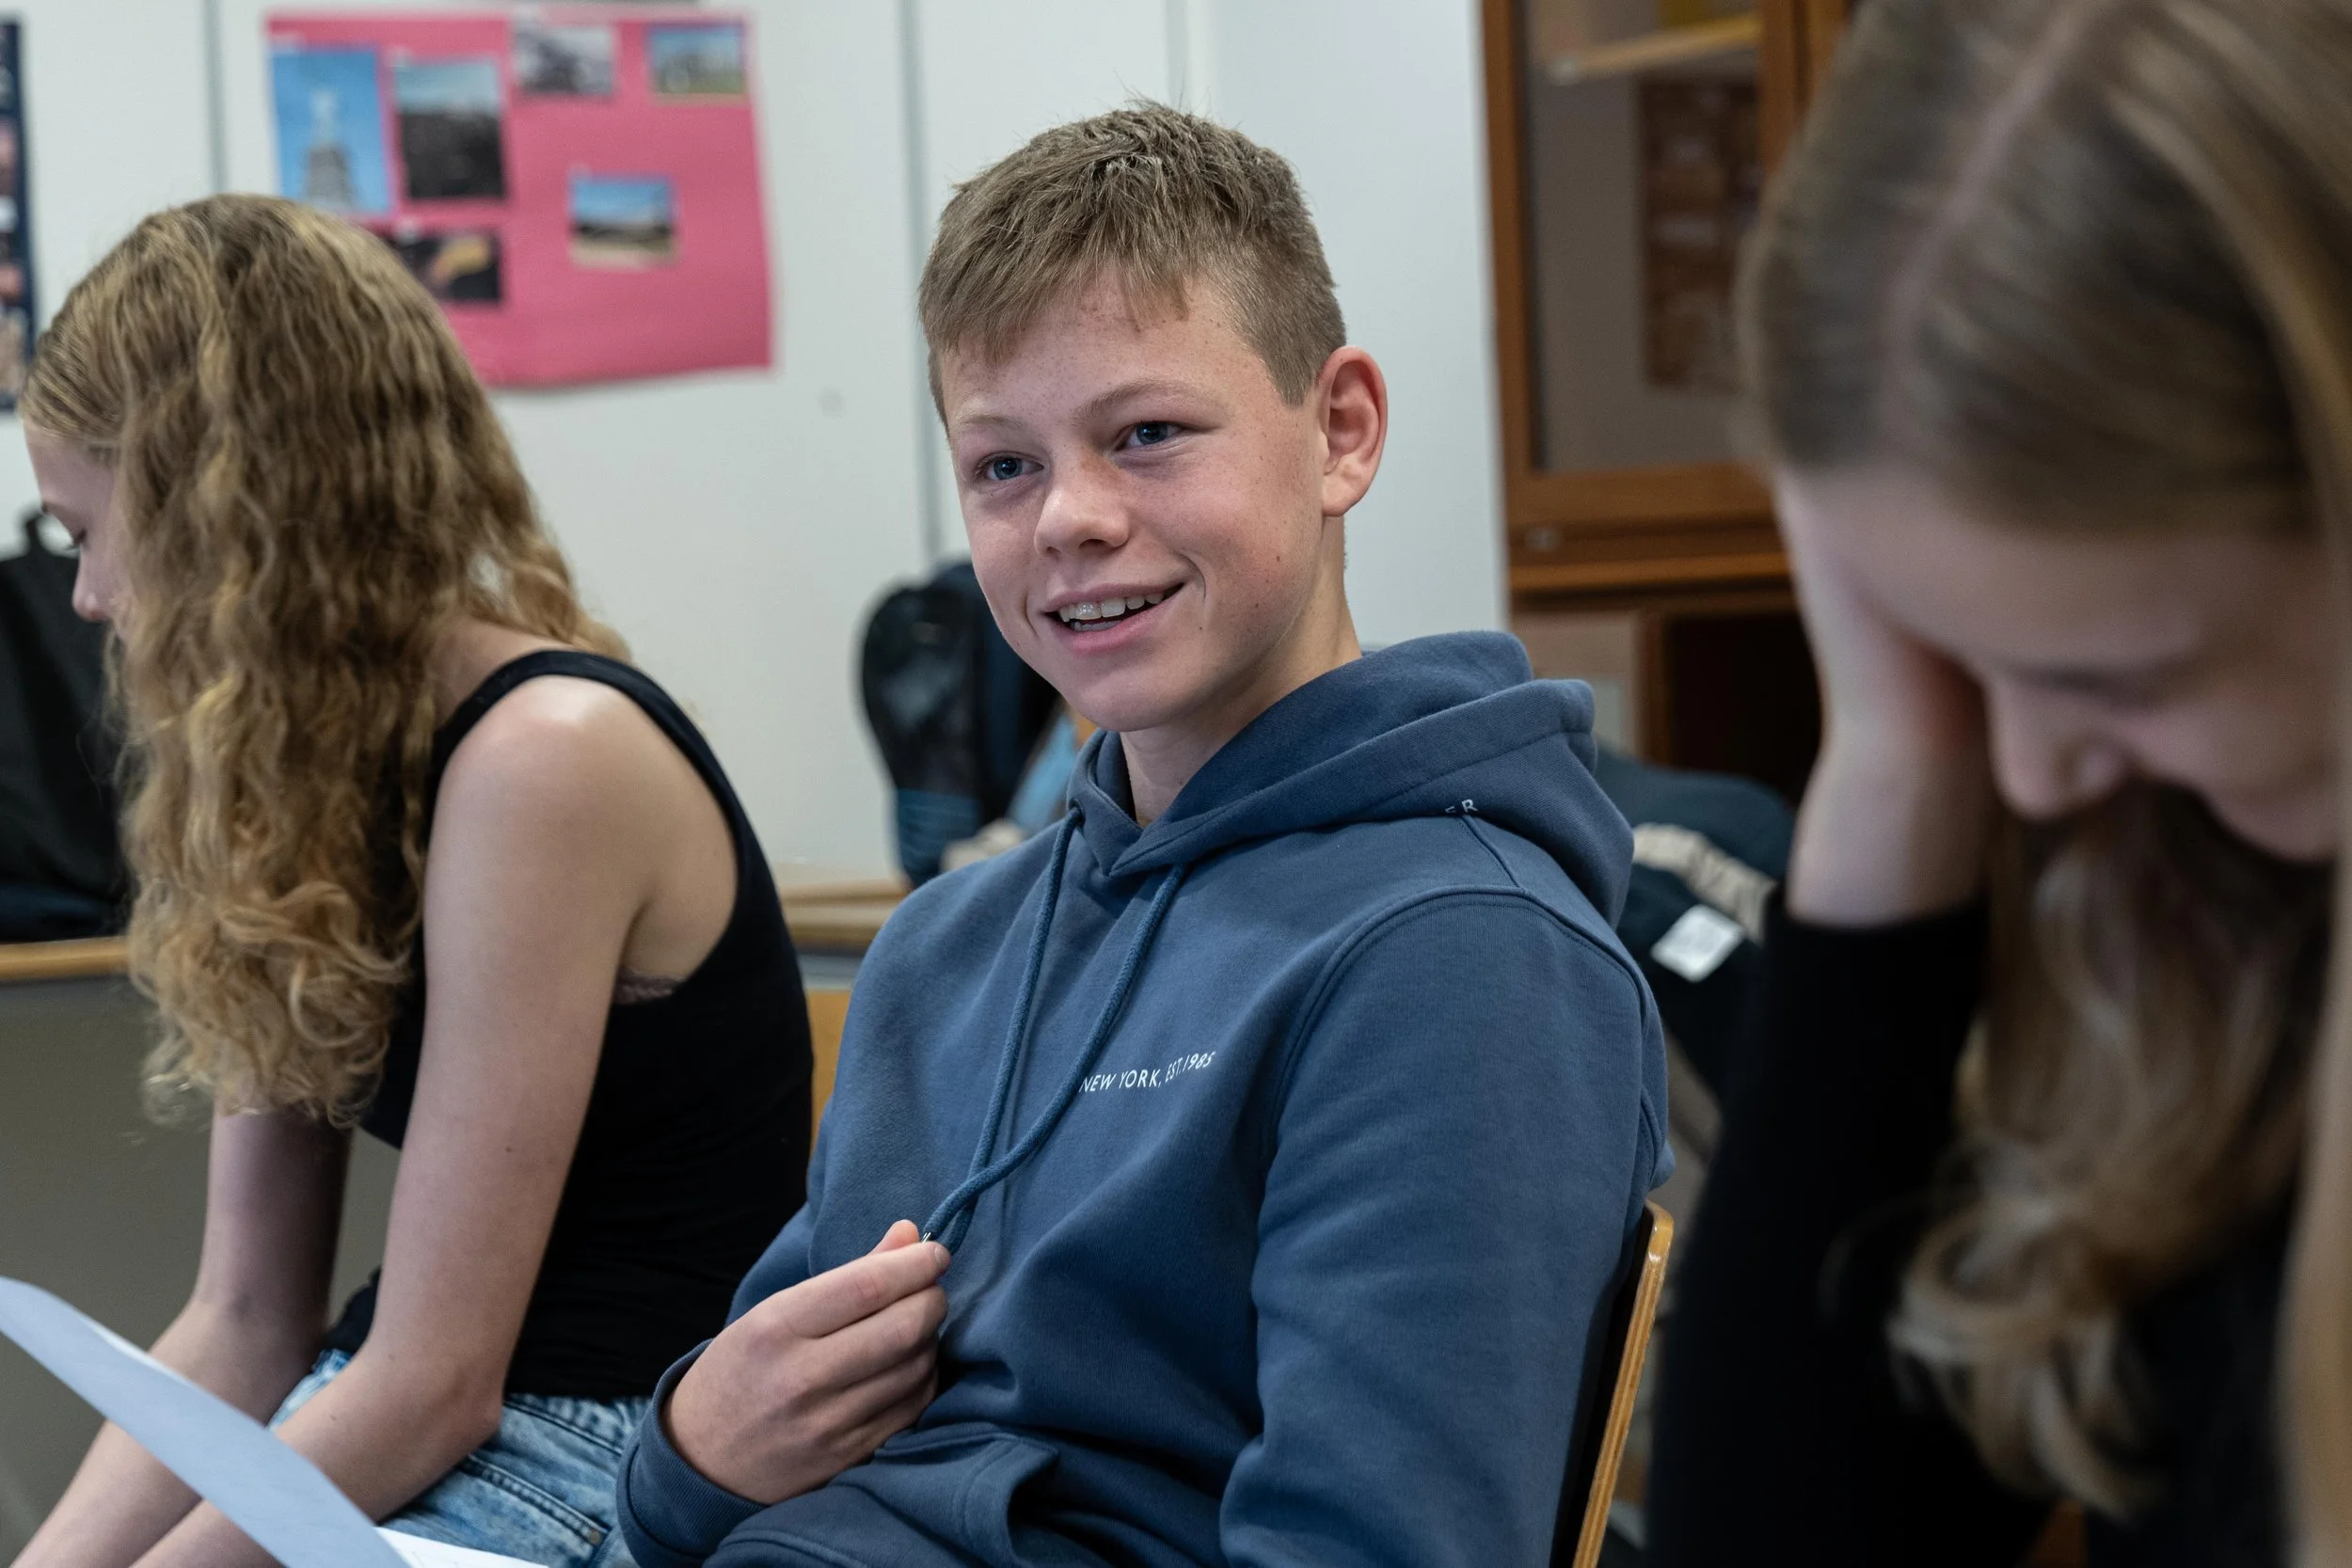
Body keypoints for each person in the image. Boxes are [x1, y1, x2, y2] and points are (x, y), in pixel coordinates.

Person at [615, 104, 1669, 1568]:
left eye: (1149, 434)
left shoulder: (1456, 955)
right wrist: (688, 1447)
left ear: (1341, 431)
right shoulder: (944, 948)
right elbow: (706, 1485)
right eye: (1002, 466)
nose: (1073, 518)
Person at [1643, 0, 2352, 1563]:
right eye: (1967, 663)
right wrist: (1898, 757)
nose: (2028, 773)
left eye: (2122, 679)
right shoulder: (2189, 909)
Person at [13, 196, 811, 1568]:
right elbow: (246, 1313)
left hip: (599, 1450)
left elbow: (442, 1378)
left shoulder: (545, 759)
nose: (84, 597)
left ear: (232, 520)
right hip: (400, 1412)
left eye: (91, 533)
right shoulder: (310, 793)